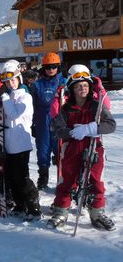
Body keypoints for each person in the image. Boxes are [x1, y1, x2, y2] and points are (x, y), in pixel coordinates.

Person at [49, 65, 116, 231]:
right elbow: (57, 129)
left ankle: (97, 213)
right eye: (79, 86)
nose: (83, 89)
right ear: (72, 88)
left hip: (93, 147)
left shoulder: (96, 105)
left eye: (85, 85)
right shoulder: (66, 108)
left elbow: (111, 125)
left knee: (95, 180)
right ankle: (60, 211)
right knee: (67, 180)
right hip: (72, 148)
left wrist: (90, 129)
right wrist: (72, 132)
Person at [0, 60, 41, 219]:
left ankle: (33, 205)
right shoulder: (7, 96)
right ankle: (20, 204)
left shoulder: (26, 96)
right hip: (8, 142)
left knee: (20, 177)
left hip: (21, 143)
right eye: (7, 82)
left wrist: (3, 96)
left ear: (19, 79)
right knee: (10, 176)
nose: (10, 84)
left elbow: (14, 114)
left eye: (13, 80)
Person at [31, 52, 66, 189]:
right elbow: (31, 105)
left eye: (54, 66)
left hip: (59, 121)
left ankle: (62, 177)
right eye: (48, 67)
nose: (51, 69)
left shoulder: (63, 82)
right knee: (43, 151)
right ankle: (43, 176)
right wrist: (32, 123)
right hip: (42, 121)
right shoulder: (37, 85)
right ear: (43, 68)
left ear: (58, 67)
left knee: (60, 151)